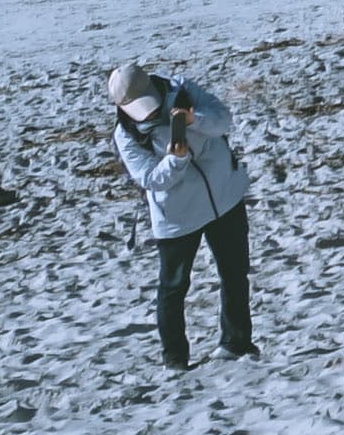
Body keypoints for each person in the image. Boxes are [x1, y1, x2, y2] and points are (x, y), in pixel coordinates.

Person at [107, 61, 254, 367]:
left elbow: (222, 121)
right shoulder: (126, 134)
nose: (145, 113)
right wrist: (177, 159)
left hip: (224, 197)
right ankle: (175, 360)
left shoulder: (183, 89)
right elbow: (149, 179)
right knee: (173, 288)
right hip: (177, 217)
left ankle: (236, 343)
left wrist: (192, 120)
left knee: (234, 274)